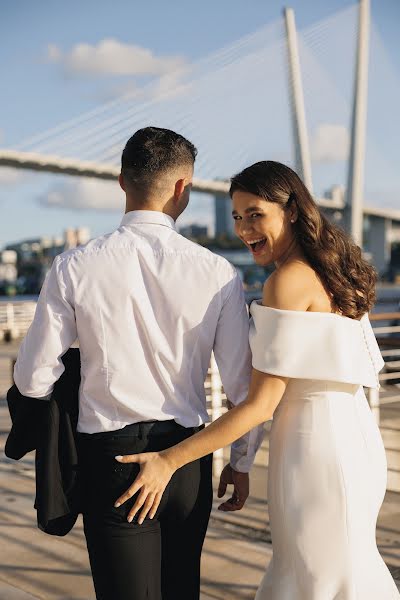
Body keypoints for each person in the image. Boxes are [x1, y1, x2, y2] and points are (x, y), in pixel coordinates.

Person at [115, 160, 400, 599]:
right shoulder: (340, 272)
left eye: (255, 214)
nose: (244, 229)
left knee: (316, 576)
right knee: (341, 566)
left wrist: (169, 460)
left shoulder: (286, 282)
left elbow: (261, 404)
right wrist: (241, 462)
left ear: (290, 211)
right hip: (357, 440)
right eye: (236, 217)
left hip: (313, 450)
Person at [13, 127, 265, 600]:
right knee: (181, 589)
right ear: (183, 189)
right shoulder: (219, 274)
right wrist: (241, 461)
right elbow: (243, 388)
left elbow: (32, 378)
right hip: (188, 458)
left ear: (122, 183)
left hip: (113, 460)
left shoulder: (74, 265)